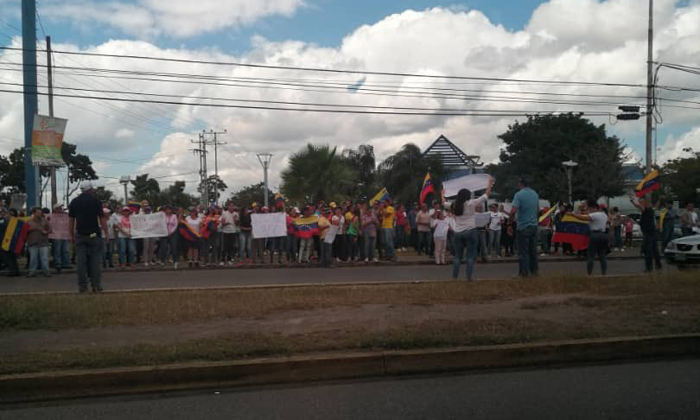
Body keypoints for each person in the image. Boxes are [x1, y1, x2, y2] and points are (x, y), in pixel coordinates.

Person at [68, 181, 108, 293]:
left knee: (80, 262)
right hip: (94, 234)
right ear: (90, 189)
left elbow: (71, 220)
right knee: (95, 261)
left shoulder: (74, 202)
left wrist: (70, 235)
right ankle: (96, 286)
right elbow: (102, 218)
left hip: (80, 235)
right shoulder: (96, 201)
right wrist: (106, 233)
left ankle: (82, 286)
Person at [452, 179, 493, 281]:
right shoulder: (471, 203)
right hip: (470, 231)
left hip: (457, 232)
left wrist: (442, 194)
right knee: (470, 256)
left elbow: (444, 203)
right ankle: (468, 277)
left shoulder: (455, 205)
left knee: (457, 256)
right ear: (467, 196)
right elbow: (486, 195)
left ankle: (454, 277)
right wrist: (489, 183)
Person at [508, 176, 539, 278]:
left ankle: (524, 273)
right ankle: (534, 272)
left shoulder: (519, 195)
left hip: (523, 226)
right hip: (534, 226)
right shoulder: (535, 194)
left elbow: (513, 211)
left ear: (521, 183)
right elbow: (537, 210)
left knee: (523, 252)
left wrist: (510, 224)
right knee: (533, 250)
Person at [570, 200, 609, 275]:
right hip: (604, 235)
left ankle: (589, 274)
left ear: (594, 208)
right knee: (602, 256)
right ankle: (604, 273)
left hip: (595, 235)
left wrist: (573, 215)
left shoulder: (595, 215)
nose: (589, 211)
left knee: (591, 256)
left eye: (590, 209)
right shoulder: (604, 215)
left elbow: (583, 218)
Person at [629, 195, 662, 273]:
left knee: (648, 250)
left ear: (644, 202)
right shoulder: (651, 209)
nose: (640, 202)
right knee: (655, 250)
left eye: (641, 201)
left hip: (648, 233)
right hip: (652, 232)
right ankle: (658, 265)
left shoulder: (646, 209)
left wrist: (633, 200)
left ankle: (649, 268)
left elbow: (638, 206)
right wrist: (659, 200)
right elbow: (656, 206)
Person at [26, 207, 52, 277]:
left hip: (43, 242)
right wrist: (34, 228)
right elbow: (25, 231)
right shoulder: (29, 221)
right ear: (34, 213)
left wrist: (46, 232)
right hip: (32, 242)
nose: (39, 214)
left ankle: (46, 272)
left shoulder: (45, 221)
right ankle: (32, 272)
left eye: (40, 212)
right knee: (33, 258)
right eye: (38, 212)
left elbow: (50, 230)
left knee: (44, 258)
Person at [50, 204, 71, 272]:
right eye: (58, 208)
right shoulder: (52, 216)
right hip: (56, 236)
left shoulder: (66, 216)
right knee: (57, 250)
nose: (60, 209)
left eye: (61, 208)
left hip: (65, 235)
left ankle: (66, 264)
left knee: (66, 250)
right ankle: (58, 264)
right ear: (55, 209)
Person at [0, 207, 20, 277]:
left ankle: (13, 271)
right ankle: (15, 271)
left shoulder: (9, 221)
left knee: (9, 257)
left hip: (8, 241)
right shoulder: (6, 220)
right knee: (11, 257)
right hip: (7, 240)